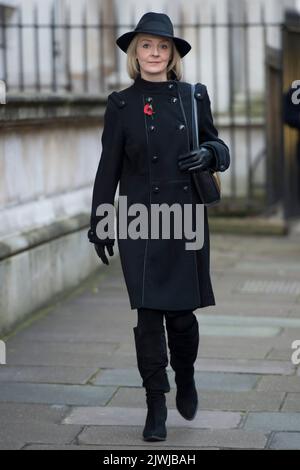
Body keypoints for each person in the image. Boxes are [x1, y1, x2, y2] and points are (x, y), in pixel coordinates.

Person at [87, 12, 230, 441]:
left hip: (184, 218)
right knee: (148, 317)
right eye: (146, 46)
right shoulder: (121, 104)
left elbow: (219, 145)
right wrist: (100, 222)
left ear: (172, 55)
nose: (154, 53)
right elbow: (107, 167)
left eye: (162, 46)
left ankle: (184, 376)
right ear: (136, 53)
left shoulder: (192, 96)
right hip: (137, 220)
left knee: (182, 319)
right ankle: (156, 405)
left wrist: (208, 154)